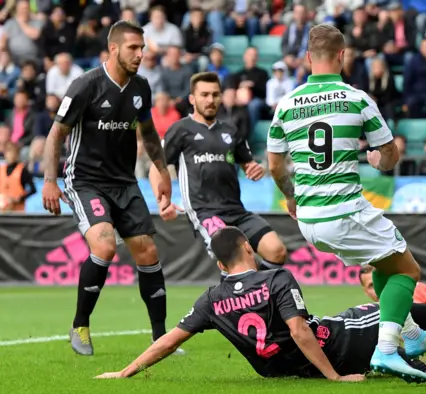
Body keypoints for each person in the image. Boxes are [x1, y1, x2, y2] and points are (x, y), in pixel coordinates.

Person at [266, 24, 426, 384]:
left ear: (308, 58)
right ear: (342, 57)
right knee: (408, 271)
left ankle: (410, 333)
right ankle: (387, 351)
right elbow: (390, 154)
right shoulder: (357, 98)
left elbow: (274, 165)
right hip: (344, 210)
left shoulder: (286, 104)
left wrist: (291, 197)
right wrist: (379, 162)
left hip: (309, 217)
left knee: (383, 261)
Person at [95, 227, 426, 381]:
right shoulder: (275, 277)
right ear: (249, 248)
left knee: (379, 336)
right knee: (387, 309)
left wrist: (126, 371)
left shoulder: (211, 299)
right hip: (333, 346)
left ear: (218, 264)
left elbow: (170, 340)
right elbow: (299, 329)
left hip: (282, 370)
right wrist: (334, 377)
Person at [40, 21, 176, 357]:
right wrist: (49, 180)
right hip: (85, 181)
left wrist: (163, 171)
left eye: (142, 48)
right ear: (113, 48)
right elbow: (56, 134)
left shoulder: (141, 88)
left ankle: (160, 338)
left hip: (124, 182)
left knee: (147, 251)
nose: (141, 54)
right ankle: (80, 324)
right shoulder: (85, 86)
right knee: (104, 245)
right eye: (133, 48)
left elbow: (147, 134)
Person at [149, 72, 288, 280]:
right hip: (205, 212)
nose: (210, 100)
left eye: (215, 94)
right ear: (192, 99)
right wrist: (162, 200)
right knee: (235, 259)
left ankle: (254, 293)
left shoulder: (231, 130)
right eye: (204, 94)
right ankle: (244, 302)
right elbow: (155, 166)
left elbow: (248, 163)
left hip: (237, 210)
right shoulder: (180, 130)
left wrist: (254, 168)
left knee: (277, 251)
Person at [0, 141, 36, 212]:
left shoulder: (22, 170)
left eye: (12, 152)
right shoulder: (1, 169)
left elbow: (33, 190)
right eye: (8, 151)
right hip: (2, 211)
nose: (10, 155)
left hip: (17, 212)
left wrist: (19, 199)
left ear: (16, 154)